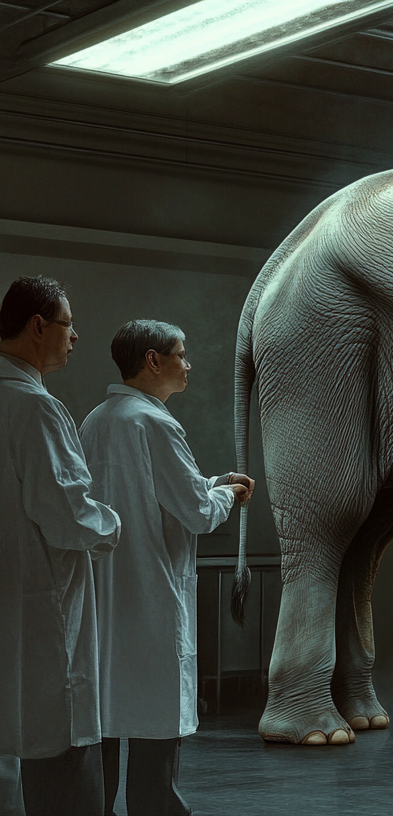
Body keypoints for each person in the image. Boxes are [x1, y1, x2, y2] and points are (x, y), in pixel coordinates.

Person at [80, 320, 253, 816]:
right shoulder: (155, 422)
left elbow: (167, 493)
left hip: (106, 597)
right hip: (152, 596)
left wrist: (212, 482)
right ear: (153, 359)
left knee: (106, 727)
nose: (188, 364)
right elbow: (196, 512)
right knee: (155, 739)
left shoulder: (96, 420)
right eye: (181, 354)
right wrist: (227, 492)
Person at [0, 276, 122, 816]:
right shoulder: (35, 408)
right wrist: (114, 524)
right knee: (60, 750)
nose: (76, 337)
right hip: (42, 610)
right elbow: (70, 519)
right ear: (38, 326)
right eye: (69, 324)